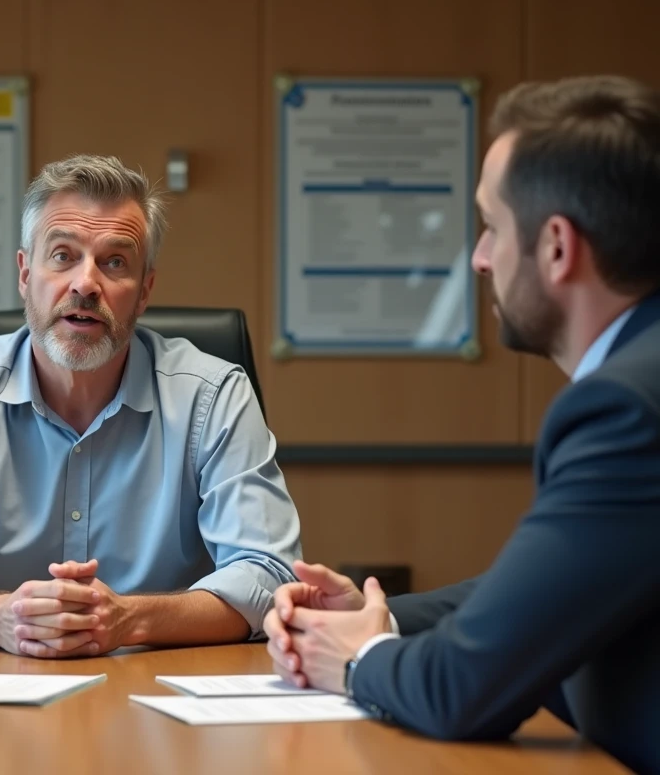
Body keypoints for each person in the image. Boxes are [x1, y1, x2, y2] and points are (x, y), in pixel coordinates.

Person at [262, 75, 660, 775]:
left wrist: (360, 659)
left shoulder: (627, 409)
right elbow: (558, 584)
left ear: (558, 248)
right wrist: (377, 613)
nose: (478, 258)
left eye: (492, 227)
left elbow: (461, 691)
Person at [0, 153, 302, 659]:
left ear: (145, 290)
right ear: (25, 274)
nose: (86, 284)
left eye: (114, 262)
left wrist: (131, 619)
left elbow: (269, 574)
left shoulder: (213, 397)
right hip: (1, 697)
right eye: (63, 255)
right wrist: (0, 618)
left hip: (169, 700)